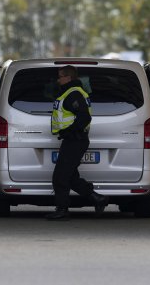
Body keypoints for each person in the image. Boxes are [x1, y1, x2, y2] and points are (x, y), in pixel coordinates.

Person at [46, 65, 109, 220]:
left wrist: (70, 131)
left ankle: (62, 209)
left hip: (75, 140)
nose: (58, 79)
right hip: (73, 140)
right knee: (70, 176)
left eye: (60, 76)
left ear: (68, 77)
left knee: (60, 177)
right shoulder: (71, 92)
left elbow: (84, 117)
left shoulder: (73, 94)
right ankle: (98, 199)